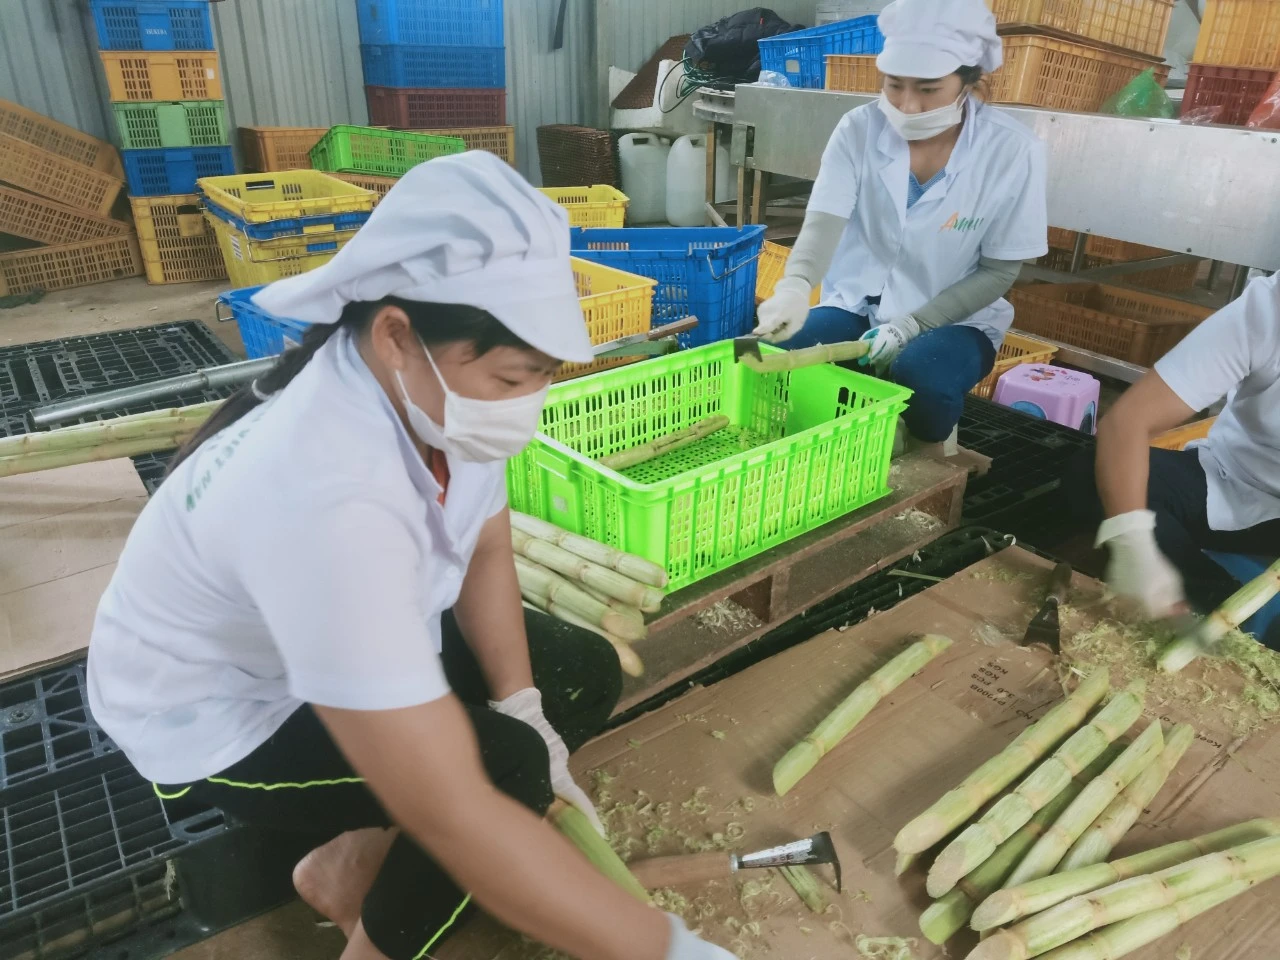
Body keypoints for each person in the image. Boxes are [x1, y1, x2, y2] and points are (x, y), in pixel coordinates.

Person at [86, 153, 737, 960]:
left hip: (337, 632)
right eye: (509, 378)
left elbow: (486, 547)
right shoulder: (324, 492)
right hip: (224, 713)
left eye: (536, 379)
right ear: (397, 334)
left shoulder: (434, 397)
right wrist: (670, 950)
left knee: (575, 673)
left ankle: (349, 865)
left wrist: (523, 701)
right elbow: (449, 807)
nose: (523, 405)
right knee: (502, 770)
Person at [753, 0, 1048, 453]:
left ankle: (924, 444)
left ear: (968, 81)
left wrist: (914, 325)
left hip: (957, 319)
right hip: (859, 302)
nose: (908, 105)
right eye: (895, 86)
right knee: (787, 355)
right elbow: (824, 221)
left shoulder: (1011, 152)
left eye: (929, 89)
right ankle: (854, 436)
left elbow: (999, 271)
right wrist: (795, 285)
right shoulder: (859, 128)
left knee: (923, 376)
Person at [1070, 271, 1280, 645]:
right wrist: (1133, 544)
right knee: (1091, 475)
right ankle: (1207, 599)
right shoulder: (1268, 310)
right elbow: (1128, 421)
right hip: (1235, 478)